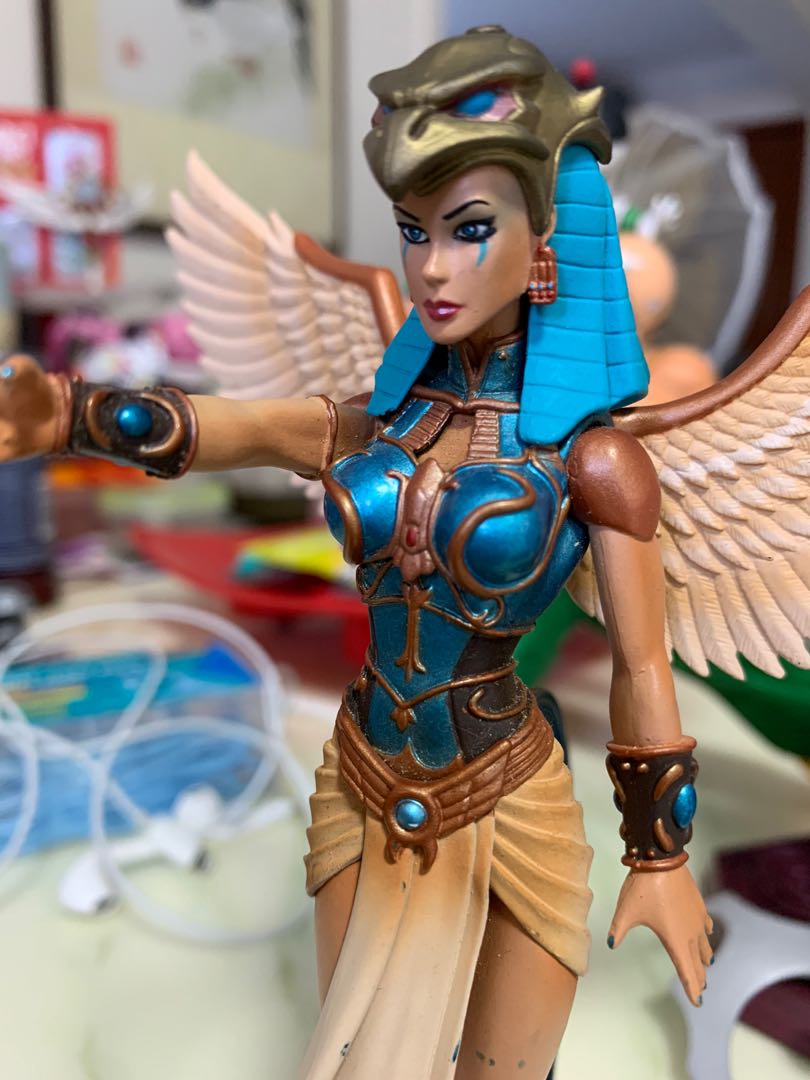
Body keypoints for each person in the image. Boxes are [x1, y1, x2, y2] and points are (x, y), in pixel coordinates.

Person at [5, 25, 808, 1080]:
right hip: (360, 776)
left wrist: (658, 856)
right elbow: (235, 427)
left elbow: (643, 665)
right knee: (356, 1057)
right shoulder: (380, 419)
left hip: (508, 798)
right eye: (413, 229)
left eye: (469, 229)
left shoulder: (597, 460)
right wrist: (69, 414)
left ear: (545, 236)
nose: (432, 266)